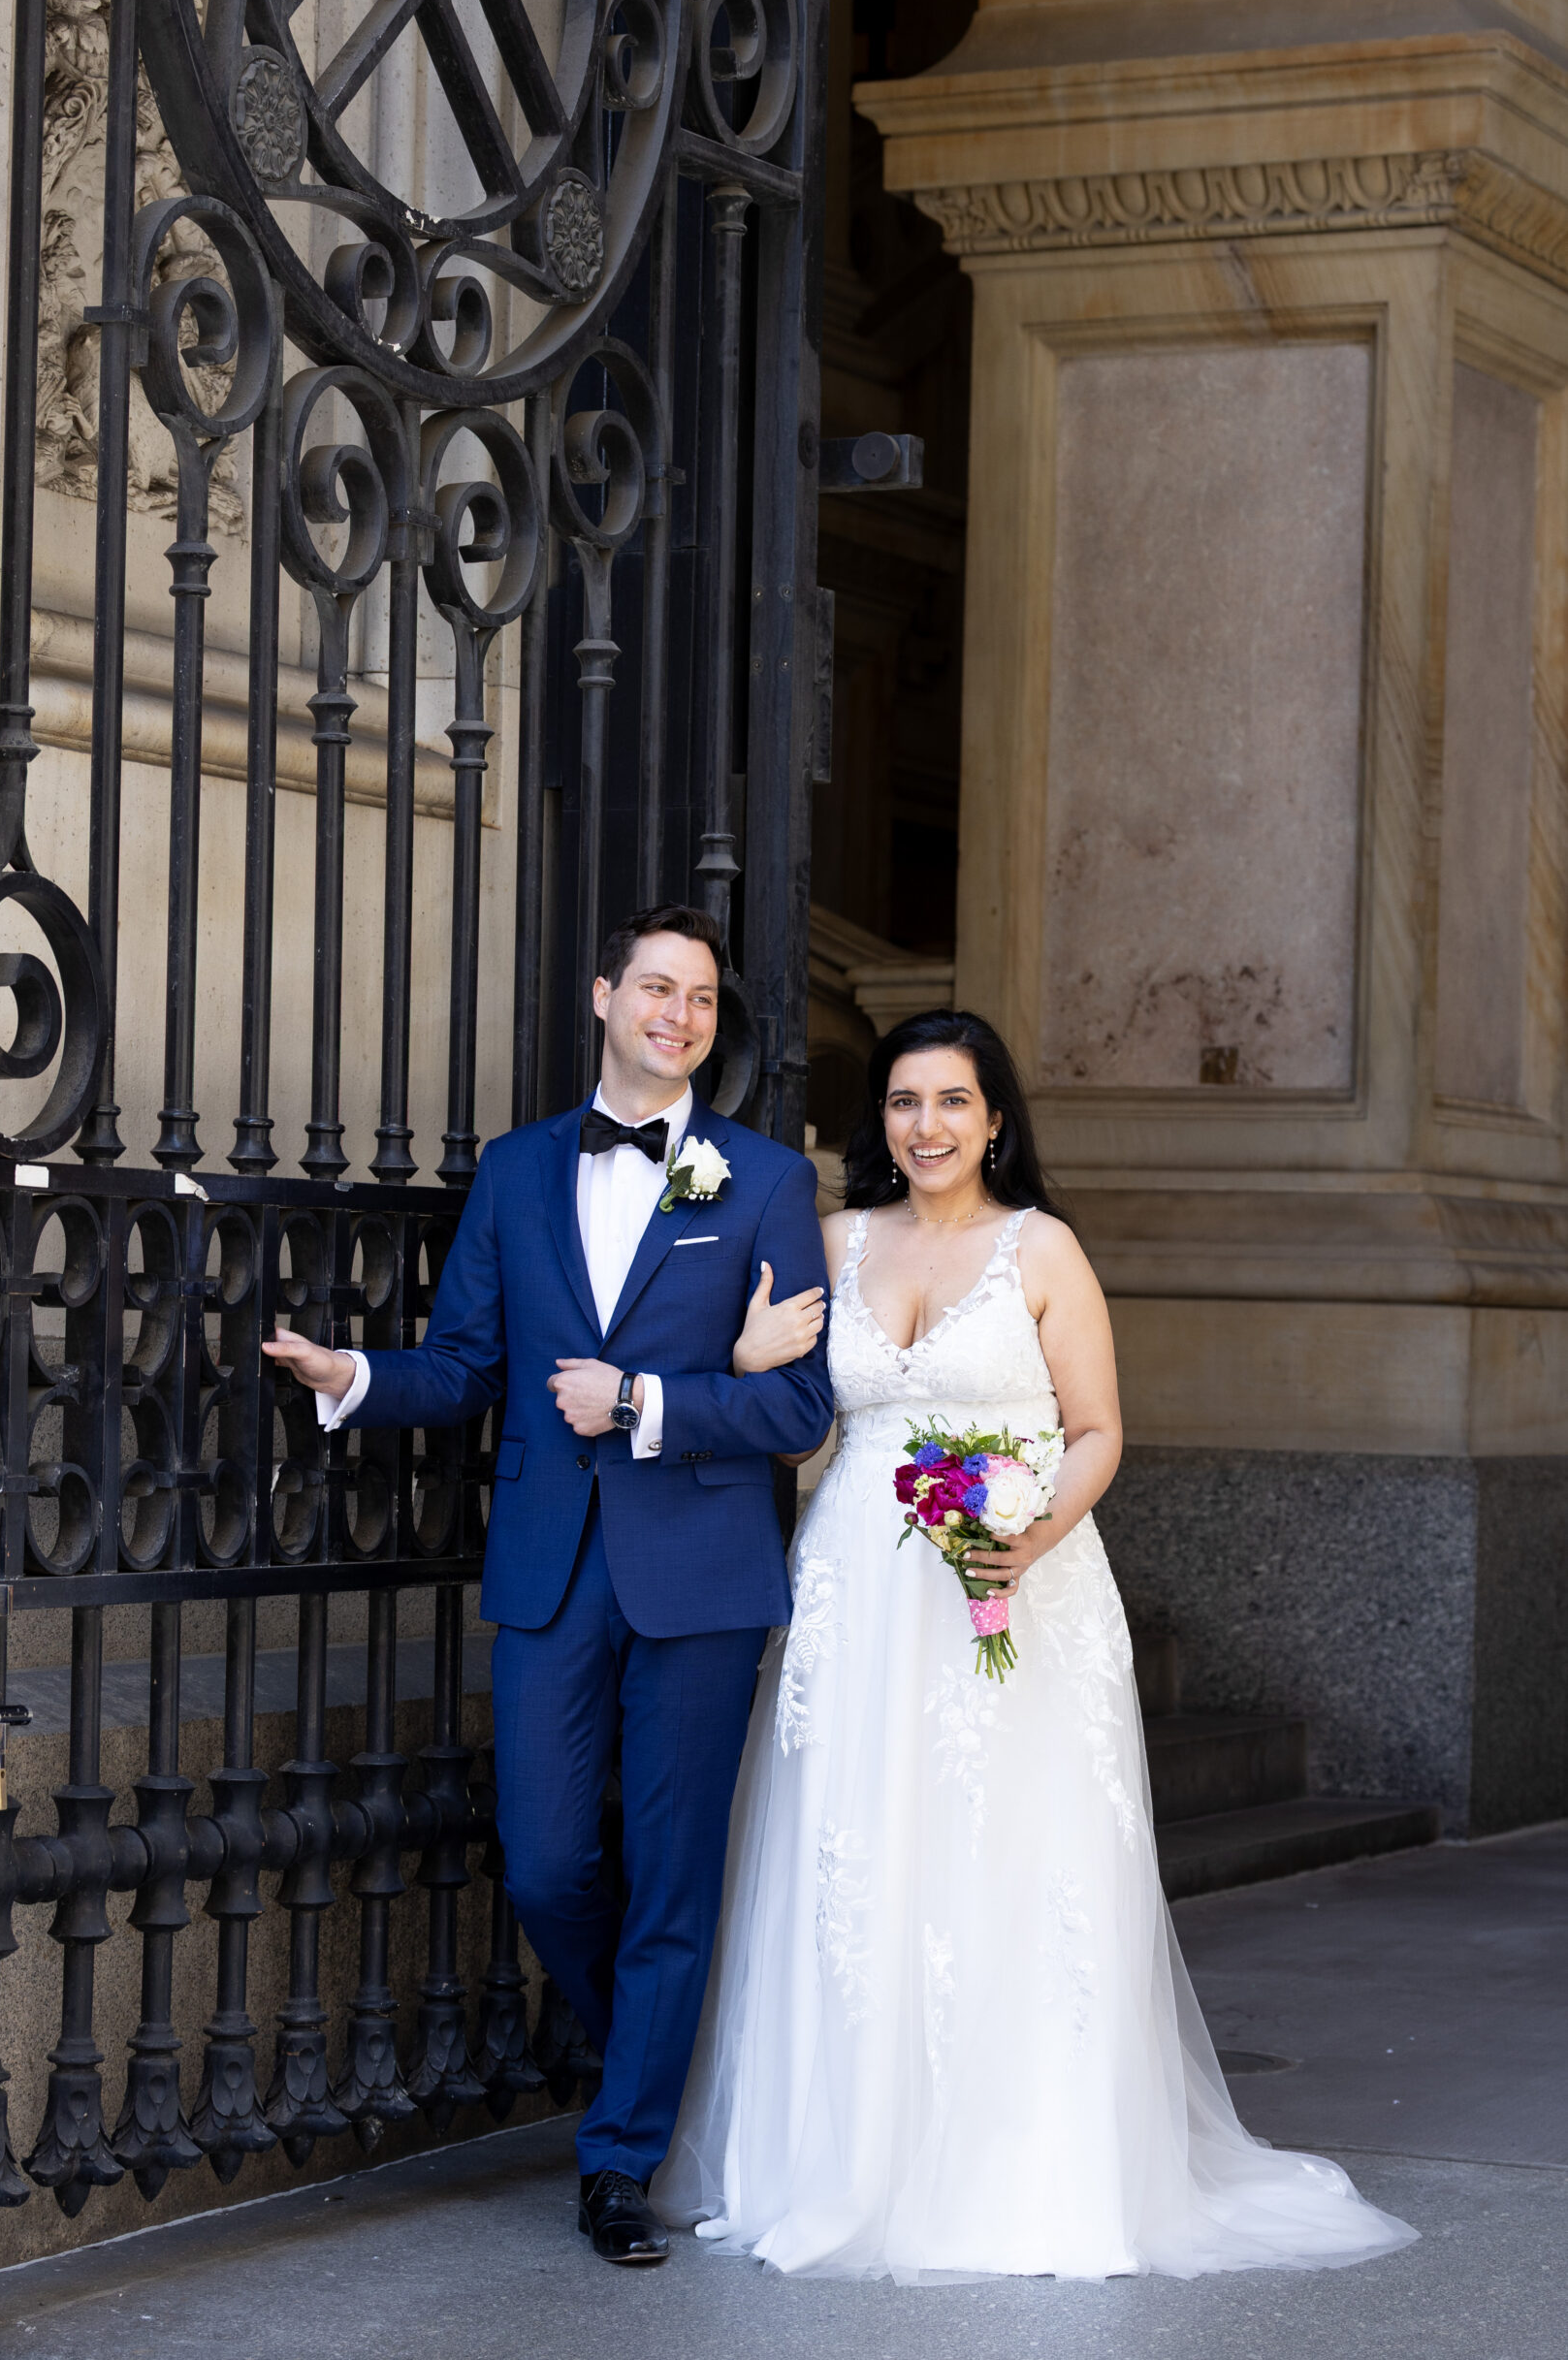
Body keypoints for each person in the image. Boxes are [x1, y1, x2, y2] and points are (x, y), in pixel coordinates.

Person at [658, 1008, 1416, 2281]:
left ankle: (1017, 2166)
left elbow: (1100, 1429)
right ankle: (837, 2158)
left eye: (953, 1102)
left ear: (996, 1119)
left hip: (1015, 1591)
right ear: (880, 1122)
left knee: (1007, 1856)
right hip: (857, 1590)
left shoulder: (1043, 1250)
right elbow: (797, 1431)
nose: (928, 1127)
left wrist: (1026, 1534)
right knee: (854, 1855)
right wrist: (742, 1355)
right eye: (904, 1102)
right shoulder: (830, 1241)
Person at [265, 905, 833, 2266]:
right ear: (602, 996)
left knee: (675, 1878)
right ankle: (648, 2044)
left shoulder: (754, 1182)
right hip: (548, 1570)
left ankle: (620, 2157)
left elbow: (802, 1406)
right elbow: (467, 1364)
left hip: (698, 1575)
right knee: (549, 1857)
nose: (677, 1015)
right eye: (655, 987)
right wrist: (355, 1381)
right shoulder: (521, 1172)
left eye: (699, 999)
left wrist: (647, 1400)